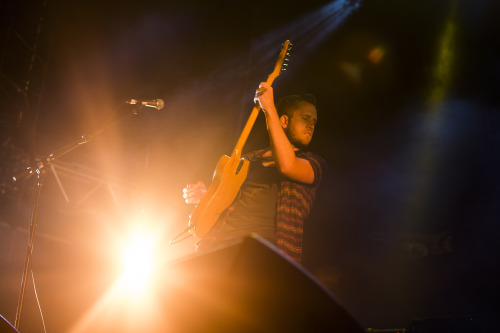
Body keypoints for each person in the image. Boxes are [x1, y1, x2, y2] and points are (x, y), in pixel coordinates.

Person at [183, 82, 326, 264]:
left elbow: (287, 166)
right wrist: (208, 197)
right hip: (219, 244)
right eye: (305, 118)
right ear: (284, 121)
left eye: (314, 121)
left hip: (266, 254)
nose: (311, 126)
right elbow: (229, 197)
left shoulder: (314, 163)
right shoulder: (250, 158)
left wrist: (269, 109)